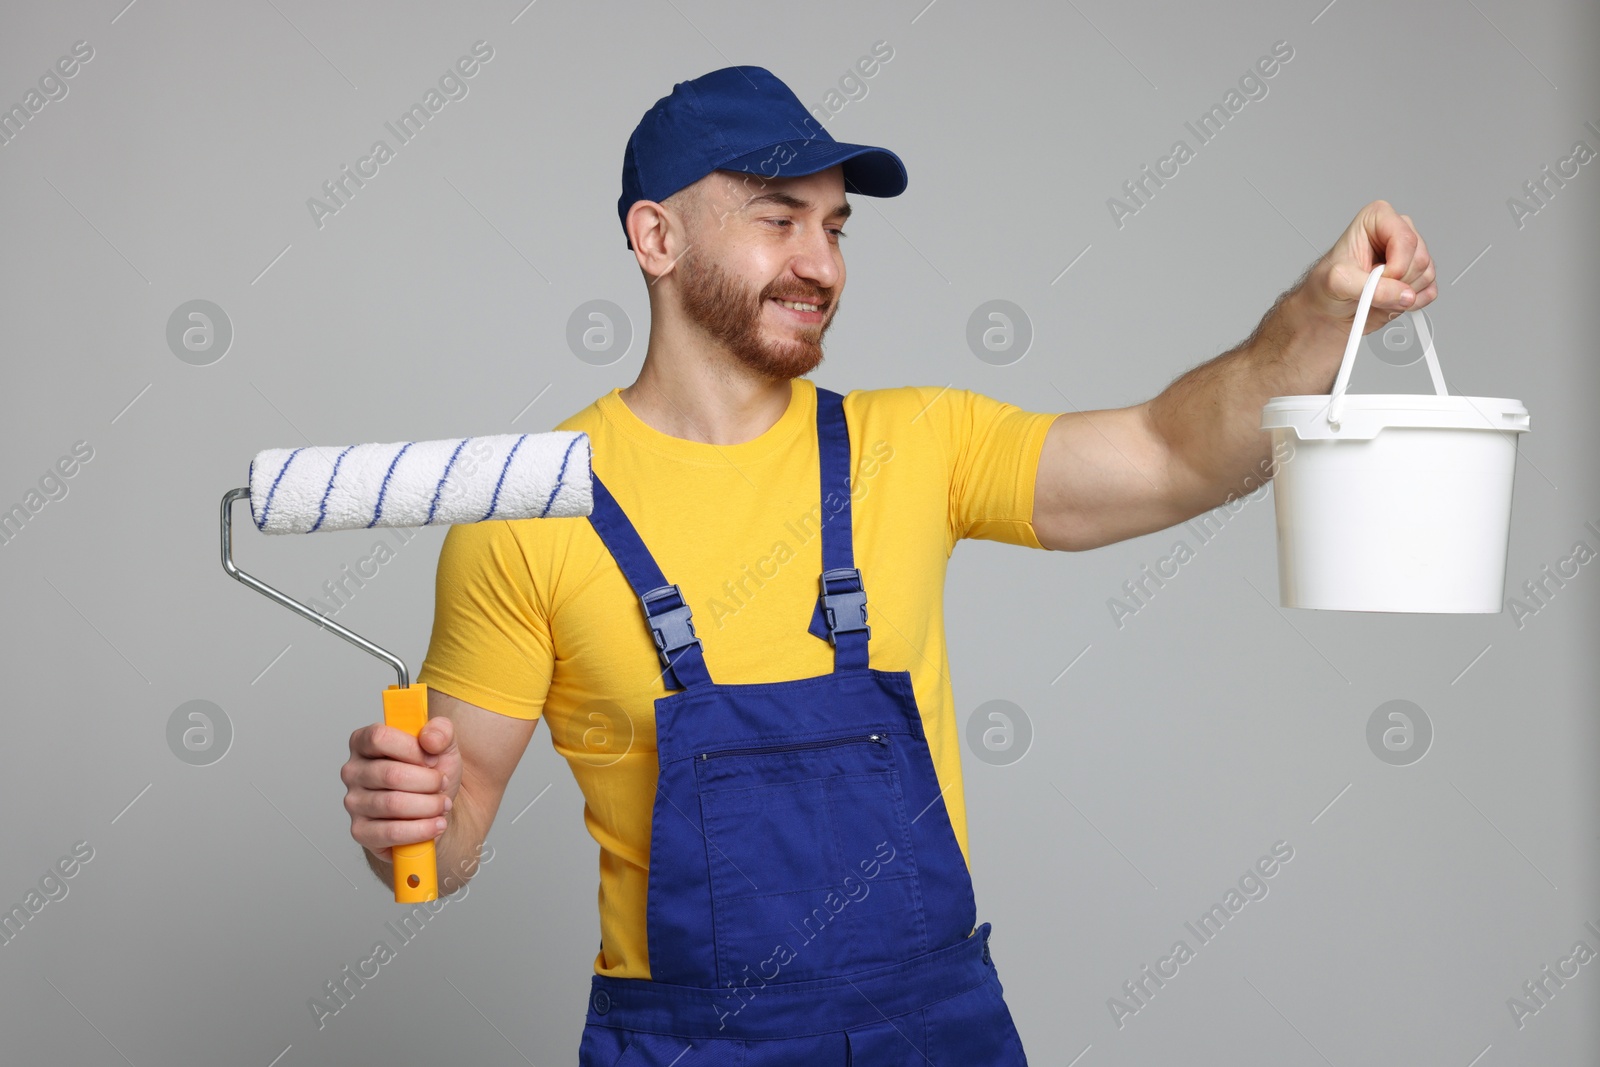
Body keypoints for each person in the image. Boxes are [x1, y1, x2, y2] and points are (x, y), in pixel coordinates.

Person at [339, 65, 1436, 1063]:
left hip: (934, 1029)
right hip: (690, 1043)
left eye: (835, 226)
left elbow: (1173, 451)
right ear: (655, 238)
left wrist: (1319, 315)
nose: (821, 263)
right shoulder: (529, 511)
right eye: (777, 220)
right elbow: (456, 816)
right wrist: (415, 825)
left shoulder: (917, 444)